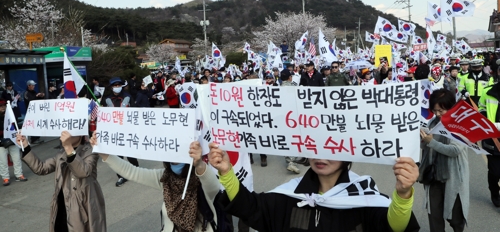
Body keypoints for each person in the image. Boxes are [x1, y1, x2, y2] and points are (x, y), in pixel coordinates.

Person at [208, 143, 420, 231]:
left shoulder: (364, 196)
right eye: (313, 146)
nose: (320, 156)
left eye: (330, 147)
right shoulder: (288, 195)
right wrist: (227, 173)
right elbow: (249, 208)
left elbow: (394, 228)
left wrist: (402, 194)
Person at [89, 133, 220, 232]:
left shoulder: (201, 177)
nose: (173, 154)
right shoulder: (164, 178)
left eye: (178, 147)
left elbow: (213, 187)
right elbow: (131, 171)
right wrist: (103, 153)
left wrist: (199, 165)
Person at [16, 131, 106, 232]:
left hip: (82, 208)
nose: (65, 133)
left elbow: (83, 172)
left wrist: (68, 148)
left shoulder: (90, 151)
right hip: (62, 206)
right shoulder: (61, 154)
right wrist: (26, 147)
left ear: (80, 133)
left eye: (70, 131)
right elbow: (41, 168)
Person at [419, 89, 469, 232]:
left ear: (451, 107)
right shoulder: (432, 123)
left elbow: (455, 150)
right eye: (435, 111)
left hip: (453, 178)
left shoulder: (461, 124)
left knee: (456, 219)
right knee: (434, 217)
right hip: (433, 177)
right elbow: (425, 146)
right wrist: (423, 139)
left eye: (441, 110)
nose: (438, 114)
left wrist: (431, 142)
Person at [104, 77, 139, 187]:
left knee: (130, 153)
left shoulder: (127, 96)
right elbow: (103, 114)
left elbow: (135, 111)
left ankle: (136, 171)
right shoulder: (107, 99)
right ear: (111, 87)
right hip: (114, 130)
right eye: (115, 85)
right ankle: (121, 176)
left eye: (119, 85)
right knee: (118, 156)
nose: (117, 87)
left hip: (127, 129)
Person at [478, 81, 500, 207]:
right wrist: (486, 121)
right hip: (492, 139)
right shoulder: (488, 92)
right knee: (495, 172)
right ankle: (495, 193)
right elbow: (481, 109)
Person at [0, 99, 27, 186]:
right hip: (1, 143)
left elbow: (14, 126)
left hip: (12, 140)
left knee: (17, 158)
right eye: (1, 106)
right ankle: (5, 177)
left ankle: (19, 175)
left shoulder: (10, 115)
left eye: (4, 106)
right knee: (3, 161)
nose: (3, 107)